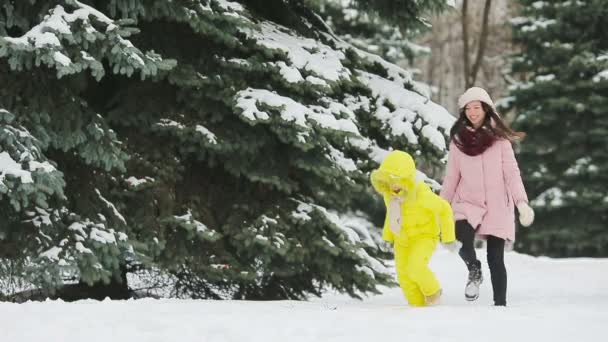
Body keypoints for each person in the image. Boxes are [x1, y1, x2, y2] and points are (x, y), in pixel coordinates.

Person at [440, 86, 535, 306]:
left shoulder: (500, 140)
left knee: (495, 258)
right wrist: (441, 204)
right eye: (468, 108)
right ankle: (474, 271)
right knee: (461, 237)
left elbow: (512, 173)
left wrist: (522, 203)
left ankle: (500, 305)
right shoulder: (458, 141)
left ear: (486, 109)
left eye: (477, 107)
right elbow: (452, 176)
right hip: (467, 201)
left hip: (497, 204)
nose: (472, 112)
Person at [371, 150, 461, 307]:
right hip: (402, 240)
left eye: (397, 179)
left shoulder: (421, 194)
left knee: (416, 267)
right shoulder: (389, 195)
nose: (394, 184)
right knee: (404, 276)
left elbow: (444, 209)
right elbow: (391, 217)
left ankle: (434, 293)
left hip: (424, 237)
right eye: (390, 179)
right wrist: (387, 237)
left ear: (407, 177)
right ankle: (417, 307)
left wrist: (448, 238)